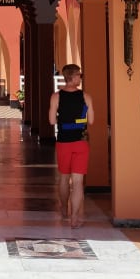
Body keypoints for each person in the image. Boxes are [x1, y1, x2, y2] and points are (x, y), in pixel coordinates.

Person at [49, 64, 94, 228]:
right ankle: (74, 217)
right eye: (79, 75)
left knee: (63, 178)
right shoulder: (86, 97)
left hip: (63, 142)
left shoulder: (56, 97)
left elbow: (52, 121)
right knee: (77, 181)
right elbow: (91, 120)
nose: (80, 78)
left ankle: (63, 209)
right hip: (81, 142)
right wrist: (79, 119)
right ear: (73, 77)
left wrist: (64, 119)